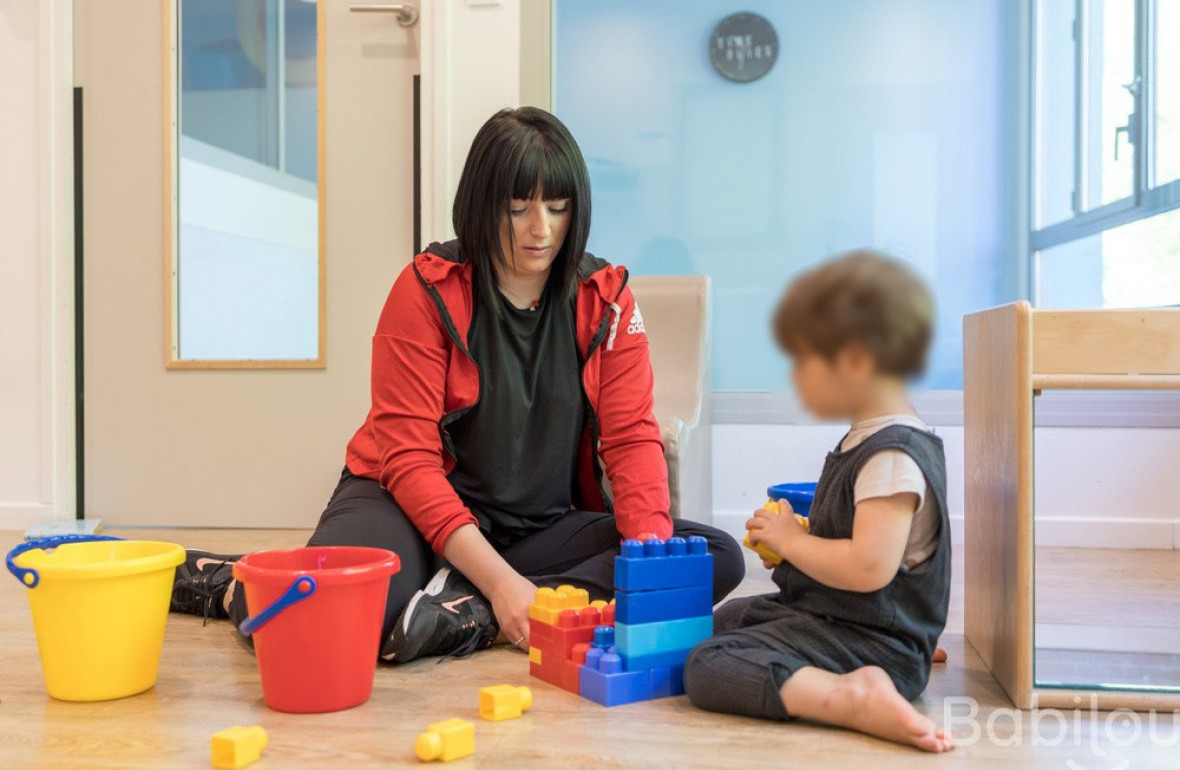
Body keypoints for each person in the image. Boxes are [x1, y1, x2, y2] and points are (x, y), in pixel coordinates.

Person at [170, 107, 744, 662]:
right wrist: (502, 583)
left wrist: (651, 569)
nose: (540, 229)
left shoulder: (606, 299)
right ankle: (227, 581)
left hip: (532, 528)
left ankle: (465, 611)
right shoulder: (425, 290)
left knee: (710, 558)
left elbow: (630, 440)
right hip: (404, 505)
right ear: (481, 204)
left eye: (558, 206)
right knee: (338, 611)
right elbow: (410, 461)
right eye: (518, 207)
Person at [682, 250, 954, 753]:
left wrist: (793, 541)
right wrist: (802, 536)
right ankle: (900, 649)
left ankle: (849, 693)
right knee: (712, 625)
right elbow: (867, 545)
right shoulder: (867, 438)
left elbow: (869, 568)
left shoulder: (892, 455)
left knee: (706, 664)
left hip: (867, 637)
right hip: (847, 622)